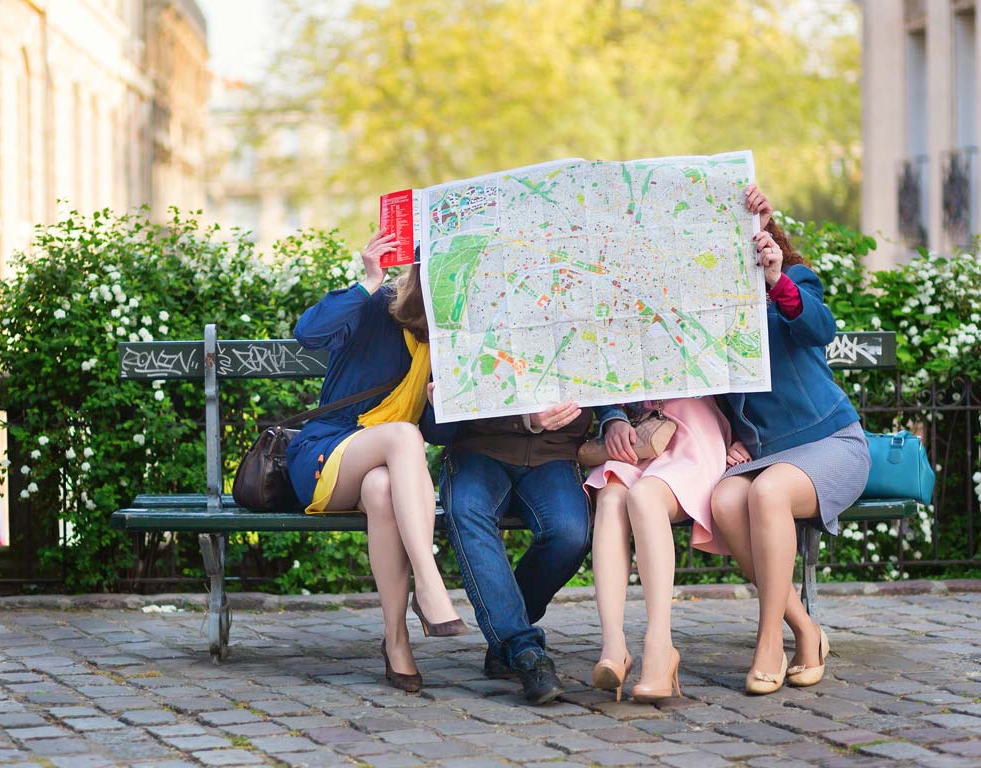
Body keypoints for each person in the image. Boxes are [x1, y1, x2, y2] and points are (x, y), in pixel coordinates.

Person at [287, 231, 468, 694]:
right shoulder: (376, 308)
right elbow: (308, 333)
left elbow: (436, 435)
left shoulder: (448, 342)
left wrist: (439, 406)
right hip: (326, 453)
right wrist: (369, 280)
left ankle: (396, 640)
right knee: (402, 436)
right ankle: (429, 583)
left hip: (382, 470)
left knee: (383, 491)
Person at [710, 185, 870, 694]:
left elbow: (820, 328)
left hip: (831, 443)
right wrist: (729, 439)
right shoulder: (706, 314)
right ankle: (805, 628)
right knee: (726, 497)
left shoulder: (795, 280)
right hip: (765, 457)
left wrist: (777, 279)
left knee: (767, 492)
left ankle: (768, 643)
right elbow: (709, 396)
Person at [422, 397, 624, 704]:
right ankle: (524, 650)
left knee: (569, 534)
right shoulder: (443, 346)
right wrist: (442, 405)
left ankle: (505, 635)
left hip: (555, 456)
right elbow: (434, 433)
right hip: (478, 453)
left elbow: (603, 375)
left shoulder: (583, 344)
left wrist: (613, 417)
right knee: (467, 512)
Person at [584, 398, 731, 702]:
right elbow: (598, 369)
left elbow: (744, 376)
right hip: (639, 431)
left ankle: (660, 647)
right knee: (610, 500)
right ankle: (614, 648)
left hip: (693, 429)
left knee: (644, 497)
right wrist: (612, 418)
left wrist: (747, 438)